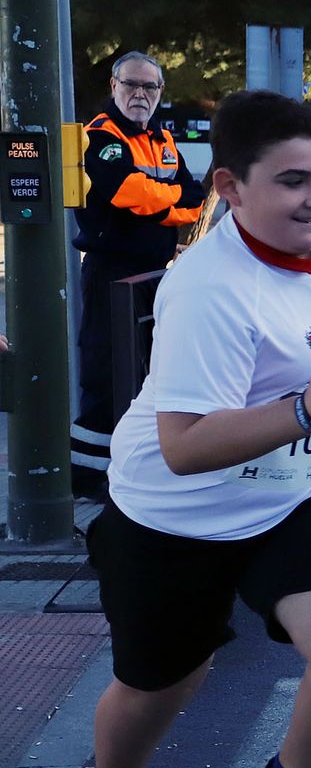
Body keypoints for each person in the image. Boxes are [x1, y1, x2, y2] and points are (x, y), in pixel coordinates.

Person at [80, 91, 311, 768]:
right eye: (293, 181)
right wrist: (304, 408)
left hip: (295, 493)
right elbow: (185, 446)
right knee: (163, 687)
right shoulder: (207, 287)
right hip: (174, 513)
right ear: (229, 187)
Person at [70, 52, 206, 497]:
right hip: (112, 272)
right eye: (132, 85)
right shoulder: (101, 137)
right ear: (114, 85)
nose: (140, 95)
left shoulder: (163, 140)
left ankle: (131, 469)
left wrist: (161, 204)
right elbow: (126, 192)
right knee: (106, 375)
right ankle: (90, 479)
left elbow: (195, 200)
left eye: (150, 87)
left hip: (152, 274)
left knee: (146, 375)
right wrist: (168, 205)